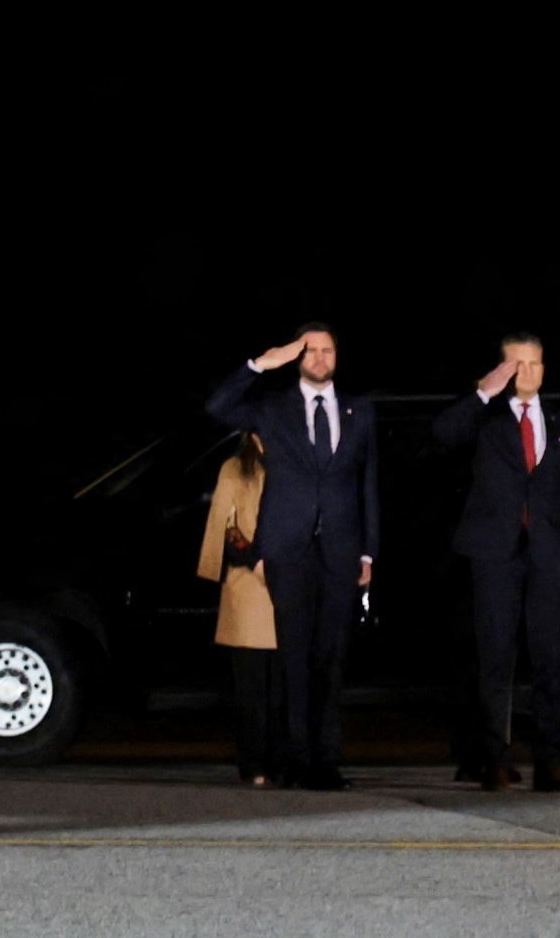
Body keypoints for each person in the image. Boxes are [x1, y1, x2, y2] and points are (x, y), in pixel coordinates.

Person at [204, 327, 377, 789]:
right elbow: (217, 408)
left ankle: (326, 761)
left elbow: (367, 483)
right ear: (298, 357)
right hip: (287, 549)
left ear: (337, 356)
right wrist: (261, 363)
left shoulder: (359, 410)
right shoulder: (274, 408)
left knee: (332, 659)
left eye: (327, 350)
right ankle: (295, 760)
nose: (319, 358)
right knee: (293, 660)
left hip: (340, 549)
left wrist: (368, 550)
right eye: (310, 350)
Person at [445, 332, 560, 789]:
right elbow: (442, 433)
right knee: (495, 658)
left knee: (549, 657)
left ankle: (550, 759)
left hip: (550, 555)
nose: (525, 372)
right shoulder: (485, 420)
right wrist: (484, 391)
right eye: (515, 364)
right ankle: (493, 757)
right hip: (494, 552)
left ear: (544, 369)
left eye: (533, 363)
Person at [200, 433, 281, 785]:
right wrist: (254, 558)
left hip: (289, 588)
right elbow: (224, 526)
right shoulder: (235, 468)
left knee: (284, 685)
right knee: (251, 688)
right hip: (249, 586)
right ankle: (254, 763)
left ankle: (283, 760)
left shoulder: (295, 460)